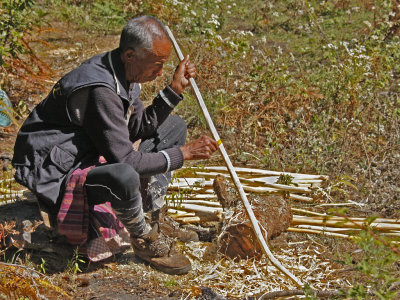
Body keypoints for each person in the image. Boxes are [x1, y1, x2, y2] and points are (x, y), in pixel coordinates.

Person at [12, 16, 218, 275]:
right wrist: (184, 154)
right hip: (55, 170)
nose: (160, 72)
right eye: (157, 64)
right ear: (131, 55)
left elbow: (136, 127)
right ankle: (142, 236)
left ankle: (152, 216)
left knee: (174, 127)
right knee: (124, 175)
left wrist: (174, 90)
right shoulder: (101, 88)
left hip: (88, 149)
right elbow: (125, 160)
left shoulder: (124, 72)